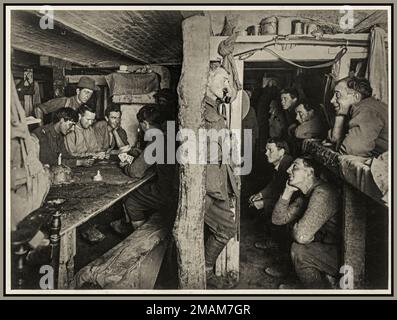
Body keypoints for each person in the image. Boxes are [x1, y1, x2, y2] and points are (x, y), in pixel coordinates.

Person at [271, 156, 341, 289]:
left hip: (341, 255)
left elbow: (301, 236)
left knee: (299, 251)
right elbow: (278, 220)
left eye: (295, 167)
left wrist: (299, 229)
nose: (288, 170)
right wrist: (287, 192)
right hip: (328, 246)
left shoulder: (322, 194)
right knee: (291, 229)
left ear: (310, 172)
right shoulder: (307, 193)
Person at [110, 104, 178, 235]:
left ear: (145, 124)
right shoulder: (169, 134)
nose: (140, 128)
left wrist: (125, 166)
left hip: (167, 192)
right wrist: (140, 153)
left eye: (140, 124)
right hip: (174, 188)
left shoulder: (157, 140)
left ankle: (139, 237)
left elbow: (136, 172)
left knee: (131, 201)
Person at [203, 65, 238, 288]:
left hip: (217, 180)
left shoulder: (215, 106)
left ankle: (204, 270)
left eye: (228, 80)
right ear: (207, 79)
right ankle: (192, 279)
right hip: (203, 183)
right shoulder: (196, 107)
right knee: (188, 230)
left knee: (226, 228)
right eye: (223, 79)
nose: (227, 84)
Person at [248, 138, 293, 250]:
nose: (266, 153)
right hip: (284, 202)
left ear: (281, 151)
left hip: (292, 205)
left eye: (270, 150)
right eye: (266, 150)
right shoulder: (282, 162)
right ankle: (273, 241)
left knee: (269, 212)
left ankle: (275, 245)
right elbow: (275, 185)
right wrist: (261, 194)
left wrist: (264, 203)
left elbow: (288, 198)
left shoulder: (288, 166)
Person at [328, 76, 388, 157]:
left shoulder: (367, 109)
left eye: (337, 95)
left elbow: (350, 150)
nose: (331, 100)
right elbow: (335, 139)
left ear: (356, 97)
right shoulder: (364, 107)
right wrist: (340, 115)